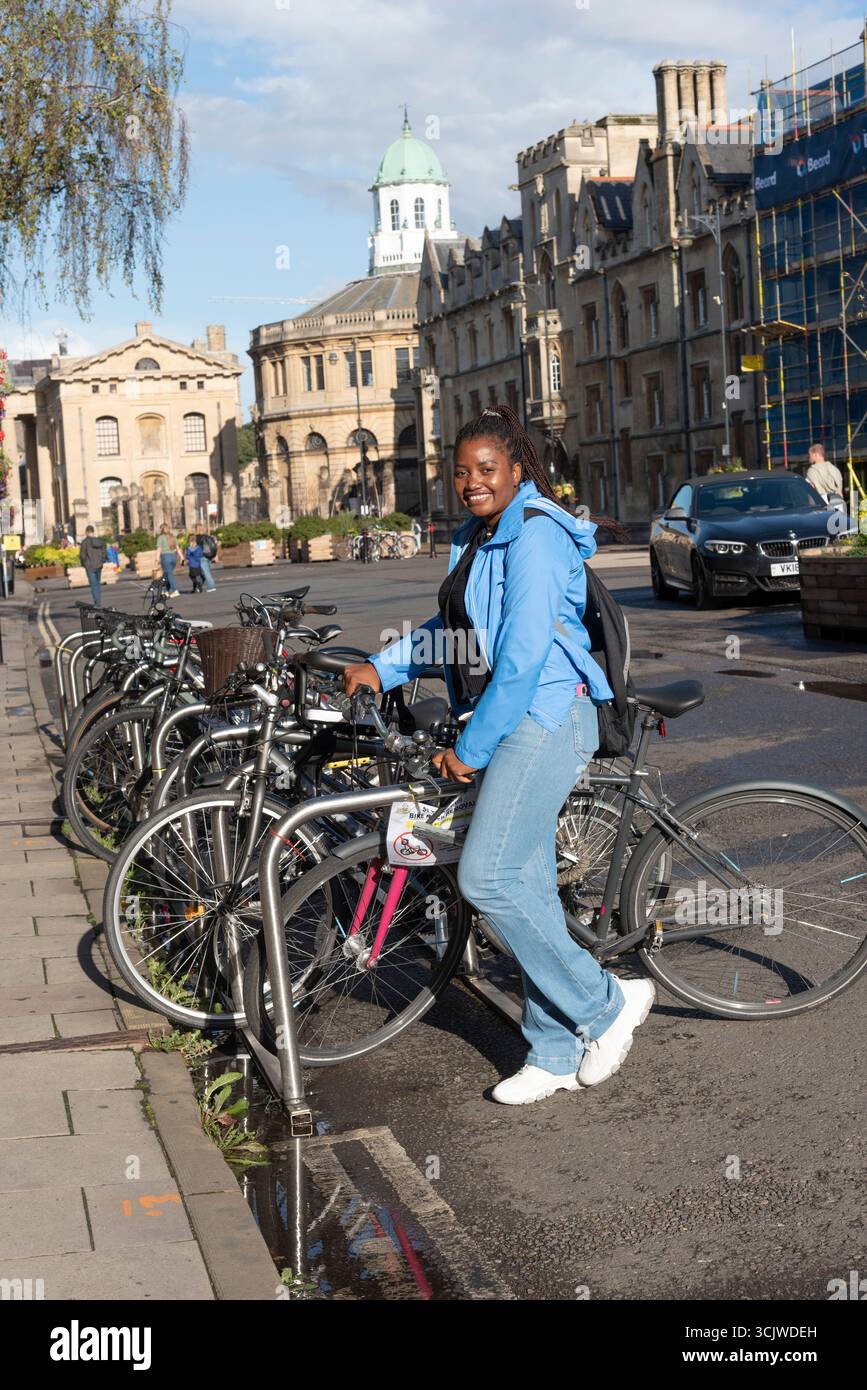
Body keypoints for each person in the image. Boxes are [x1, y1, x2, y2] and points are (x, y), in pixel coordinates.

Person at [343, 404, 655, 1106]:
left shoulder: (536, 536)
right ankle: (550, 1049)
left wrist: (469, 748)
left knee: (485, 878)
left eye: (487, 469)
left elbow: (520, 656)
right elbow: (448, 629)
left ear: (516, 469)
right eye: (461, 472)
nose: (472, 482)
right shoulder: (476, 536)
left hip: (543, 715)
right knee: (527, 888)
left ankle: (607, 1005)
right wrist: (383, 666)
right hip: (505, 714)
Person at [79, 525, 108, 607]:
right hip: (99, 565)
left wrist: (84, 564)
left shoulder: (85, 542)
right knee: (97, 584)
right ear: (93, 532)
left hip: (90, 566)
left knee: (94, 585)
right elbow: (104, 552)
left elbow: (82, 555)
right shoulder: (100, 541)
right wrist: (102, 560)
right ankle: (98, 601)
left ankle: (97, 603)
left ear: (87, 532)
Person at [157, 524, 181, 596]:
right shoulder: (173, 537)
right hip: (173, 556)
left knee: (169, 574)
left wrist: (157, 559)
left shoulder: (160, 538)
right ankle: (166, 590)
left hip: (165, 556)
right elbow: (177, 548)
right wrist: (182, 557)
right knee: (166, 574)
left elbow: (159, 549)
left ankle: (175, 590)